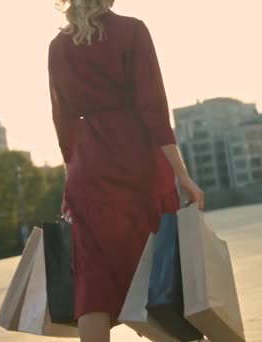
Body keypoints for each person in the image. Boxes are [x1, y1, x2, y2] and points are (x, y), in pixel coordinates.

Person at [49, 1, 204, 341]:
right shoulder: (131, 30)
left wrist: (69, 182)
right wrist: (182, 173)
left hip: (88, 173)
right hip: (139, 167)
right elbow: (153, 109)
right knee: (158, 275)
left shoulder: (58, 47)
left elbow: (62, 123)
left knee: (93, 287)